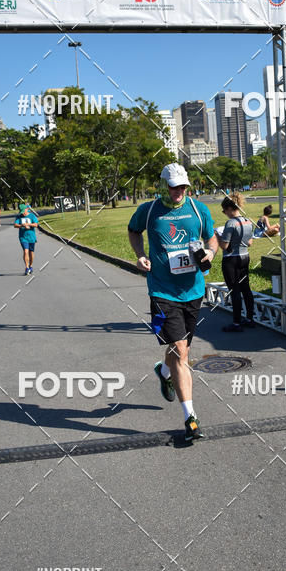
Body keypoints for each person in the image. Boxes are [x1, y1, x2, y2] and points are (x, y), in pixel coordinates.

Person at [128, 163, 218, 442]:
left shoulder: (198, 209)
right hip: (161, 291)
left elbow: (212, 238)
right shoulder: (150, 210)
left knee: (181, 349)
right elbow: (133, 231)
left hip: (193, 290)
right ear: (163, 185)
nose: (178, 192)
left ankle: (163, 371)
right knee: (180, 349)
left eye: (182, 187)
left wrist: (211, 254)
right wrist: (141, 254)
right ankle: (190, 418)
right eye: (173, 186)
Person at [218, 193, 255, 332]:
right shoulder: (248, 221)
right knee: (246, 289)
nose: (224, 214)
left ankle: (236, 323)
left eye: (224, 211)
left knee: (234, 290)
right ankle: (250, 318)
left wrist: (217, 236)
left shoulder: (230, 223)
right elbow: (250, 243)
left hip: (231, 259)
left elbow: (224, 246)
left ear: (228, 208)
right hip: (245, 256)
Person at [14, 202, 39, 275]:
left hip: (31, 237)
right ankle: (27, 267)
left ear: (26, 209)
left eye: (23, 212)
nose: (23, 213)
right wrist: (22, 225)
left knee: (31, 252)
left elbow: (36, 224)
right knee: (25, 251)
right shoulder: (19, 217)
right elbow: (15, 225)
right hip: (23, 237)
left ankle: (31, 266)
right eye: (21, 212)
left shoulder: (32, 216)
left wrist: (28, 224)